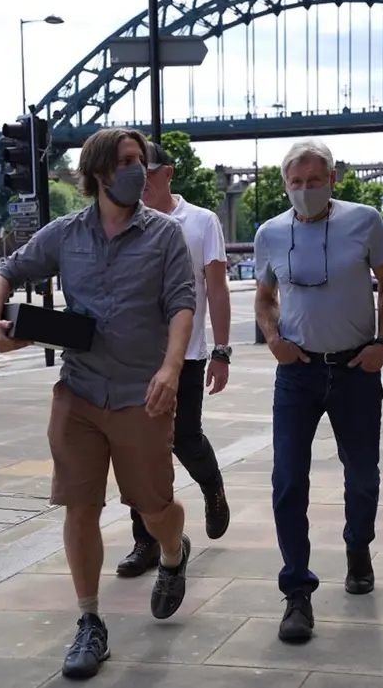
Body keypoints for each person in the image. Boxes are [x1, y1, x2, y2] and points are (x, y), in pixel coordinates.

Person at [0, 128, 196, 680]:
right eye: (129, 161)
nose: (140, 170)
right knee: (79, 506)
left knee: (156, 508)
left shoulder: (166, 236)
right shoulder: (66, 234)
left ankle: (173, 553)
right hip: (79, 393)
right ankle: (89, 623)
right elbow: (5, 271)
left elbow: (182, 305)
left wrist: (171, 369)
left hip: (142, 397)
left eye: (143, 162)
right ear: (101, 171)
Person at [254, 138, 383, 644]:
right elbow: (265, 296)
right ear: (285, 185)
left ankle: (358, 547)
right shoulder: (270, 232)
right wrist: (273, 338)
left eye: (315, 181)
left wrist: (382, 342)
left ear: (332, 180)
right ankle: (297, 590)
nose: (305, 190)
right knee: (288, 479)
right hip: (298, 374)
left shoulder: (364, 221)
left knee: (362, 476)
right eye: (296, 182)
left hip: (357, 369)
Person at [116, 142, 232, 578]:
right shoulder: (124, 219)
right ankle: (145, 541)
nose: (139, 181)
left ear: (169, 173)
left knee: (184, 439)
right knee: (138, 449)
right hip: (135, 356)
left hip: (186, 355)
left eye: (146, 172)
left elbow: (217, 288)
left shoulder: (200, 221)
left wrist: (221, 350)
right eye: (130, 172)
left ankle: (212, 487)